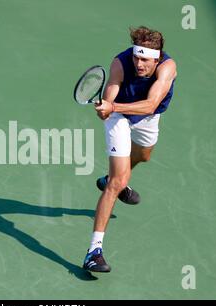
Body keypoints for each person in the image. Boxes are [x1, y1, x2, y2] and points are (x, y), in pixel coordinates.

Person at [83, 26, 177, 272]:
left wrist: (112, 108)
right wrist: (108, 107)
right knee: (118, 181)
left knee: (144, 155)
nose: (138, 63)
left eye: (144, 59)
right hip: (119, 117)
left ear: (156, 58)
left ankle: (115, 178)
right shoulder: (120, 63)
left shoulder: (168, 68)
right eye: (136, 56)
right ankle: (94, 252)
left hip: (147, 114)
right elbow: (111, 94)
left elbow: (151, 104)